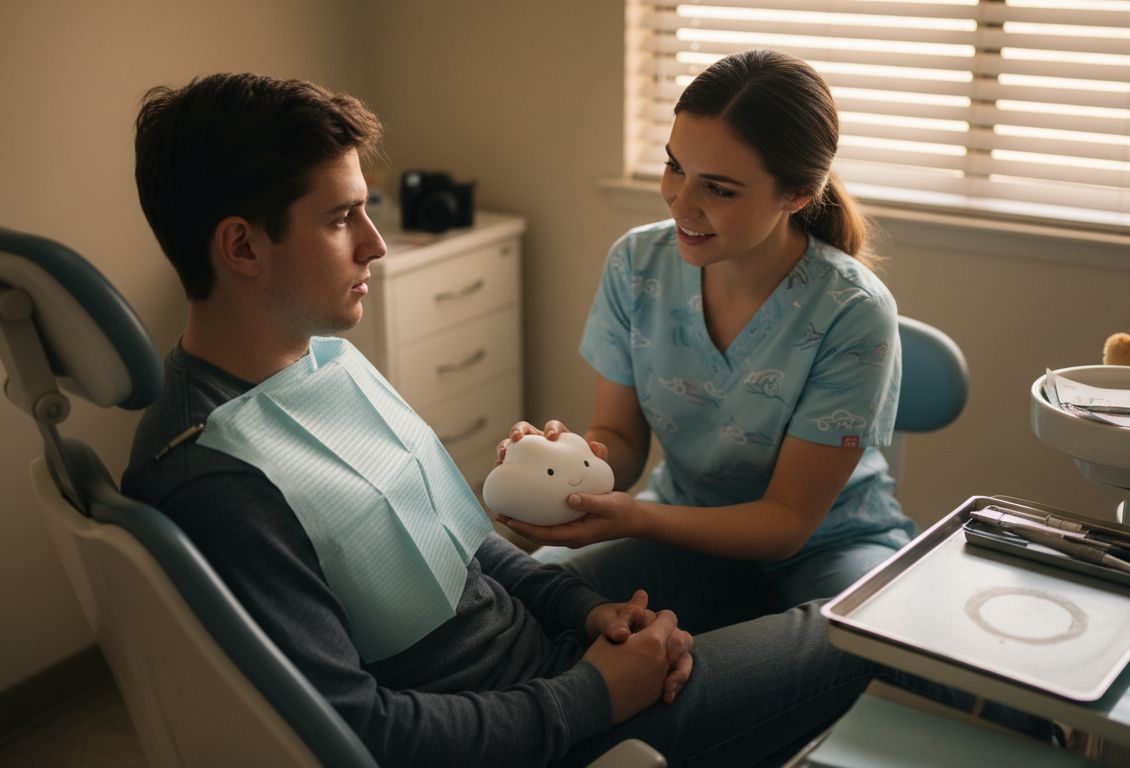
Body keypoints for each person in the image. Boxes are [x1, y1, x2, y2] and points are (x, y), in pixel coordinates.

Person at [119, 71, 913, 767]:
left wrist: (588, 611)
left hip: (570, 656)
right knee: (876, 635)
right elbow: (362, 732)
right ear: (242, 249)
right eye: (341, 220)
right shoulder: (218, 474)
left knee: (839, 608)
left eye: (368, 212)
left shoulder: (320, 363)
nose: (377, 246)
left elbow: (462, 558)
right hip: (554, 720)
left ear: (794, 195)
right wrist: (595, 693)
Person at [497, 49, 917, 630]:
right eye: (675, 168)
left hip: (827, 544)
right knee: (524, 605)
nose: (680, 203)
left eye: (718, 189)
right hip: (683, 523)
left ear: (795, 194)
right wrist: (568, 465)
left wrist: (638, 521)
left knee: (848, 642)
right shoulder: (636, 264)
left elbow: (787, 521)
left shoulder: (853, 311)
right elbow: (618, 437)